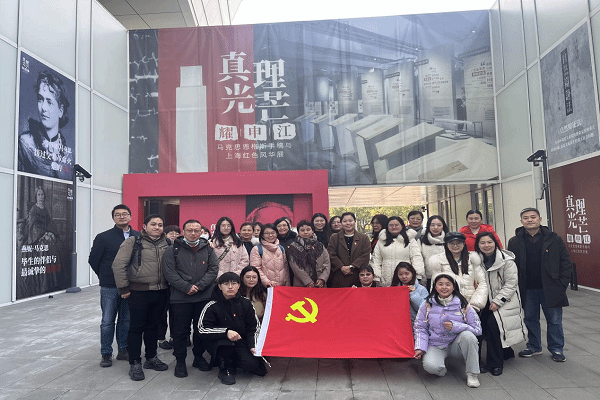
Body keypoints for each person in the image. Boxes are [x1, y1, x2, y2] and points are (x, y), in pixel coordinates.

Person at [507, 208, 571, 362]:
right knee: (530, 319)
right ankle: (534, 346)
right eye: (526, 218)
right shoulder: (515, 241)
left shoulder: (554, 239)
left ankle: (556, 349)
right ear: (521, 221)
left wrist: (562, 284)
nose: (530, 220)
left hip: (551, 287)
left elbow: (565, 262)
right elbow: (510, 265)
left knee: (554, 320)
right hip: (527, 288)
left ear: (540, 219)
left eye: (533, 217)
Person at [112, 214, 170, 381]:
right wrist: (123, 288)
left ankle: (151, 357)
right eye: (153, 224)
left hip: (161, 290)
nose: (157, 227)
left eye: (160, 224)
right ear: (145, 226)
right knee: (136, 328)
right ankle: (135, 362)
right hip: (139, 292)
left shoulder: (168, 243)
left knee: (153, 326)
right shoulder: (133, 241)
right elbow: (118, 265)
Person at [162, 219, 219, 378]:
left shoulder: (208, 249)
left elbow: (213, 269)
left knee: (201, 330)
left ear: (201, 232)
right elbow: (169, 272)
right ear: (183, 232)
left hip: (203, 297)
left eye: (196, 230)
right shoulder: (173, 249)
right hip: (180, 298)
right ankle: (180, 361)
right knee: (180, 331)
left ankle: (198, 357)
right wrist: (186, 287)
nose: (193, 233)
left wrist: (199, 286)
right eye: (189, 230)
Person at [88, 204, 139, 368]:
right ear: (113, 218)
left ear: (130, 216)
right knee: (107, 321)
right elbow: (93, 260)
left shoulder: (138, 236)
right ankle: (106, 353)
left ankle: (123, 349)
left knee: (126, 320)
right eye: (118, 214)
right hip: (109, 286)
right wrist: (104, 275)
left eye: (125, 214)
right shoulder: (103, 237)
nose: (121, 216)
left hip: (131, 286)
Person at [414, 273, 482, 388]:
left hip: (456, 344)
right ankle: (441, 367)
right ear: (435, 287)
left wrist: (456, 326)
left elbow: (477, 329)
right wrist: (420, 347)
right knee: (431, 367)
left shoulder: (464, 305)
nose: (444, 287)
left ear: (454, 287)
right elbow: (420, 327)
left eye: (448, 284)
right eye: (440, 284)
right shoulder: (427, 305)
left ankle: (472, 374)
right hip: (436, 345)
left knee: (469, 336)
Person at [198, 272, 268, 385]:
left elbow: (254, 327)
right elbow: (202, 329)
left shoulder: (246, 303)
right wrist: (226, 332)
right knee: (226, 345)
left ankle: (235, 361)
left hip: (240, 340)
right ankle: (225, 369)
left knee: (253, 365)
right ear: (219, 286)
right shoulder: (212, 305)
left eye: (234, 283)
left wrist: (253, 344)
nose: (230, 287)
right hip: (220, 342)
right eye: (226, 284)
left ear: (239, 285)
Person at [473, 232, 526, 376]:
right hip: (483, 301)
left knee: (493, 326)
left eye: (489, 242)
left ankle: (495, 364)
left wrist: (498, 301)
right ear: (478, 245)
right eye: (482, 243)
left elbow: (511, 284)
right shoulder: (475, 261)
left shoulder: (507, 261)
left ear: (495, 243)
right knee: (476, 326)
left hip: (504, 301)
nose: (486, 245)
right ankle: (478, 361)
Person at [18, 70, 73, 180]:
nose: (43, 108)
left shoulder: (68, 154)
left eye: (49, 102)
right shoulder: (25, 143)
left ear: (61, 110)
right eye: (40, 99)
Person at [429, 232, 487, 312]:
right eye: (452, 243)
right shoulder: (439, 261)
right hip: (448, 307)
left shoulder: (472, 259)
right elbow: (435, 286)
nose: (455, 246)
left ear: (464, 244)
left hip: (471, 306)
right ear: (446, 245)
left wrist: (475, 305)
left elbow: (482, 283)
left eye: (458, 243)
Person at [372, 217, 425, 286]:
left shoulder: (410, 240)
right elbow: (376, 260)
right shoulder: (381, 241)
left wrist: (418, 275)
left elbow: (416, 258)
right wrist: (377, 276)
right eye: (391, 225)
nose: (394, 227)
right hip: (386, 279)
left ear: (402, 226)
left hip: (405, 279)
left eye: (396, 225)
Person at [327, 212, 371, 288]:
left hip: (358, 275)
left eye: (350, 221)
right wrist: (341, 267)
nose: (348, 223)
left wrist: (352, 266)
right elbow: (331, 254)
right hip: (339, 276)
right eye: (344, 221)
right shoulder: (334, 237)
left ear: (355, 221)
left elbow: (365, 255)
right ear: (341, 223)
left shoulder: (364, 238)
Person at [288, 220, 330, 287]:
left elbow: (327, 262)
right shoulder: (293, 247)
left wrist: (322, 278)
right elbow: (295, 267)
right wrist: (307, 281)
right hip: (301, 283)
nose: (305, 232)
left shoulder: (320, 246)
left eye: (308, 230)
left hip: (319, 283)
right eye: (302, 230)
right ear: (298, 232)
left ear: (312, 231)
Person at [159, 224, 181, 350]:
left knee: (175, 313)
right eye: (171, 233)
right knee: (162, 313)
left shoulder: (182, 246)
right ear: (165, 234)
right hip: (163, 284)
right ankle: (161, 338)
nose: (174, 235)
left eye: (176, 233)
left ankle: (174, 337)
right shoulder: (161, 246)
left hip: (177, 285)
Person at [419, 215, 449, 290]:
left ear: (443, 226)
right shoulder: (421, 240)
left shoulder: (449, 240)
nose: (436, 228)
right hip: (428, 278)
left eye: (439, 225)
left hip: (447, 276)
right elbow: (419, 260)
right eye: (432, 225)